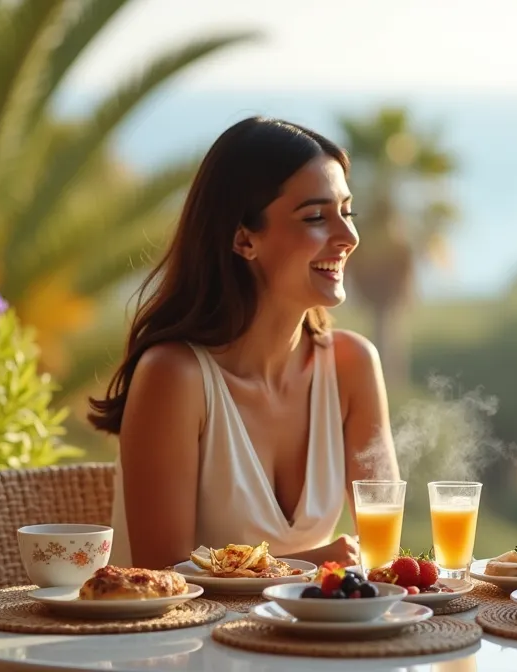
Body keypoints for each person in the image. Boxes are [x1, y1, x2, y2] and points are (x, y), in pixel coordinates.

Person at [88, 117, 399, 571]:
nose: (348, 237)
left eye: (346, 212)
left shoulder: (352, 365)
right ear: (243, 238)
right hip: (174, 642)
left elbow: (382, 553)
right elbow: (161, 574)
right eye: (315, 217)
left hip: (318, 640)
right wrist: (310, 565)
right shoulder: (175, 376)